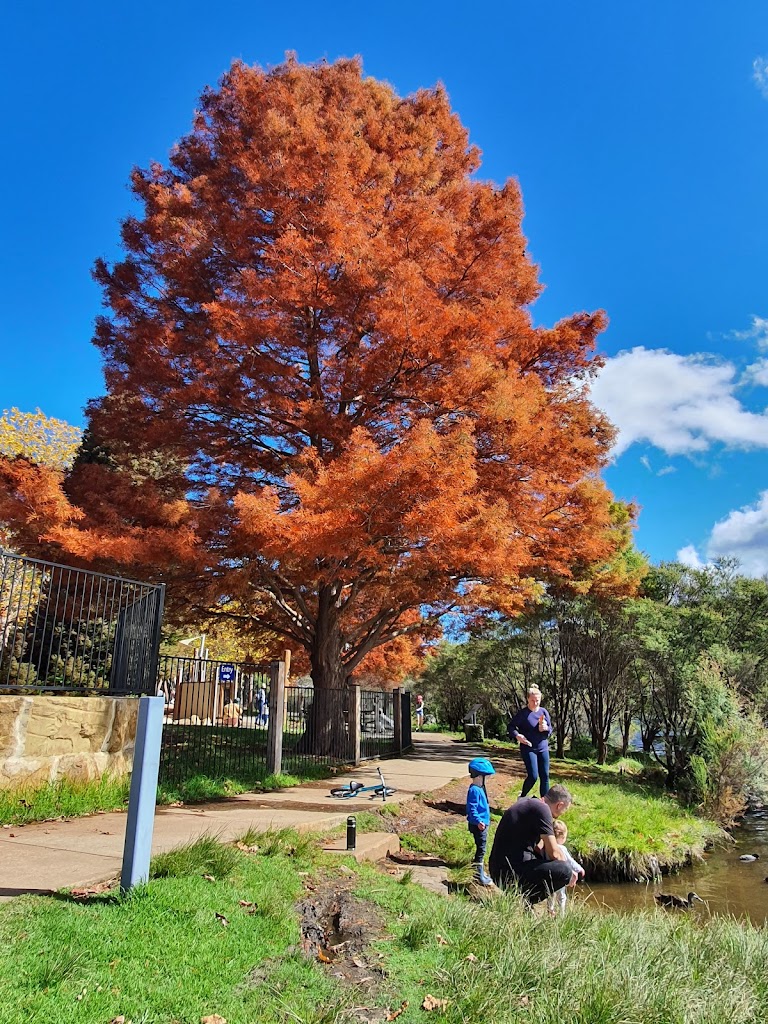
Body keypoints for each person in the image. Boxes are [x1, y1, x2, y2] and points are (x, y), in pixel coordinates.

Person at [488, 783, 576, 904]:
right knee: (564, 871)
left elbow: (539, 848)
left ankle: (523, 900)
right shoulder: (543, 809)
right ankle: (526, 902)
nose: (562, 814)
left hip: (498, 869)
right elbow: (554, 853)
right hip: (509, 873)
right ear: (559, 805)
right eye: (564, 810)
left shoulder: (530, 802)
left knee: (544, 859)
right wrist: (571, 871)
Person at [508, 685, 552, 796]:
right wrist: (518, 736)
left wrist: (546, 728)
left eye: (537, 700)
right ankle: (522, 797)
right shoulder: (523, 714)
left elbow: (550, 729)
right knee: (533, 776)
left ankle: (544, 804)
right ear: (528, 699)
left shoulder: (544, 712)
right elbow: (511, 727)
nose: (535, 703)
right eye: (532, 700)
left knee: (545, 776)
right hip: (528, 748)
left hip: (543, 747)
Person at [466, 757, 495, 886]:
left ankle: (479, 870)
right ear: (479, 776)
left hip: (483, 823)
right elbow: (471, 808)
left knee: (482, 847)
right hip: (480, 825)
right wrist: (478, 821)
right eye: (485, 776)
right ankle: (478, 874)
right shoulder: (474, 790)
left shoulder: (480, 789)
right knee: (481, 849)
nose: (487, 779)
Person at [546, 819, 585, 916]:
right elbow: (570, 861)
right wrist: (579, 869)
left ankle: (550, 910)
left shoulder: (547, 846)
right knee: (562, 895)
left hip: (549, 874)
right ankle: (562, 914)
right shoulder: (562, 848)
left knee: (551, 893)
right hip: (560, 874)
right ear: (561, 836)